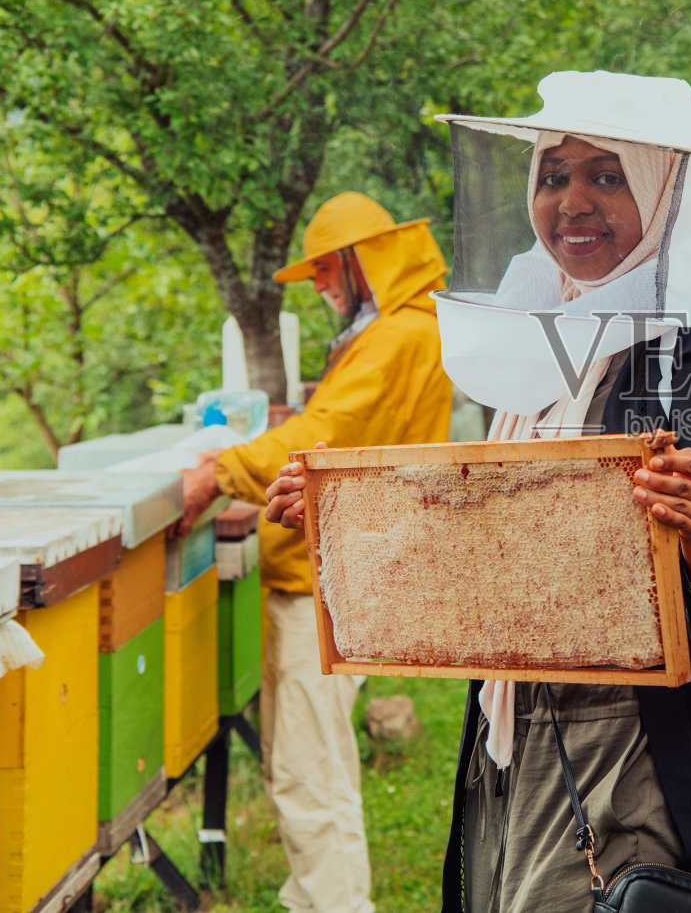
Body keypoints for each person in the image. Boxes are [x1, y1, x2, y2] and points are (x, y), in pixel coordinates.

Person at [266, 72, 691, 913]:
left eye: (607, 176)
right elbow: (497, 549)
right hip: (504, 732)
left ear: (663, 192)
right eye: (553, 175)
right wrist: (345, 521)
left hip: (629, 751)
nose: (572, 201)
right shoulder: (528, 349)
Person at [178, 190, 454, 913]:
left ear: (362, 264)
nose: (324, 288)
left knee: (311, 775)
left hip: (334, 580)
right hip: (345, 570)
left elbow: (324, 433)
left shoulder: (397, 335)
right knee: (312, 766)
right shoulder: (397, 330)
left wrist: (214, 475)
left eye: (328, 272)